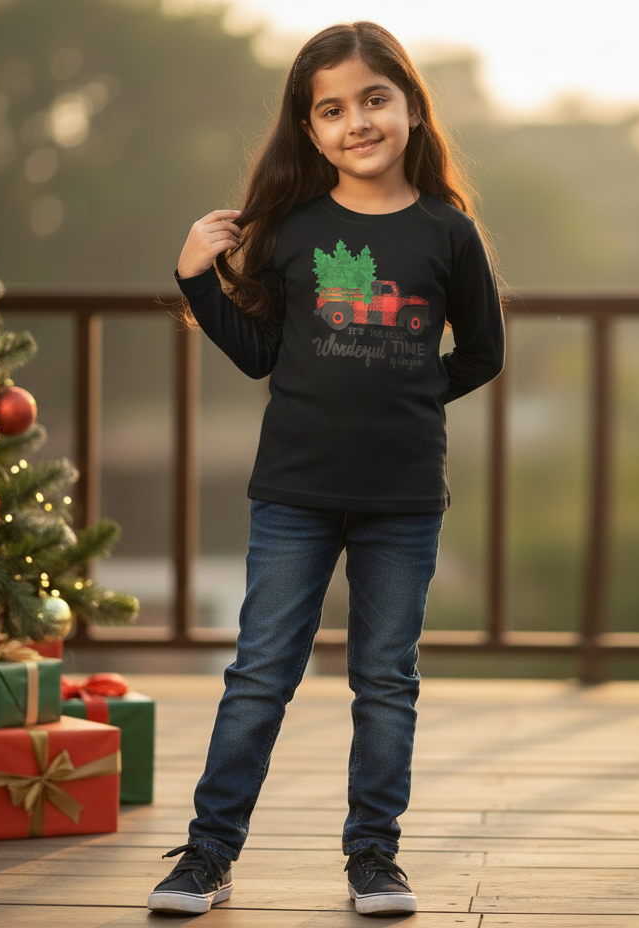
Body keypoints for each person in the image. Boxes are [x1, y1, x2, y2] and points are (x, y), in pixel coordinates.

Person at [147, 20, 504, 918]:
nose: (357, 122)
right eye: (333, 110)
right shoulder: (294, 230)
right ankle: (208, 853)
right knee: (260, 672)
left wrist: (410, 395)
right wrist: (196, 280)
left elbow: (482, 353)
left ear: (411, 108)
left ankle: (373, 857)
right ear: (309, 130)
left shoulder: (447, 232)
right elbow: (260, 356)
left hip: (402, 498)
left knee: (384, 680)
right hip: (293, 495)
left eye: (374, 100)